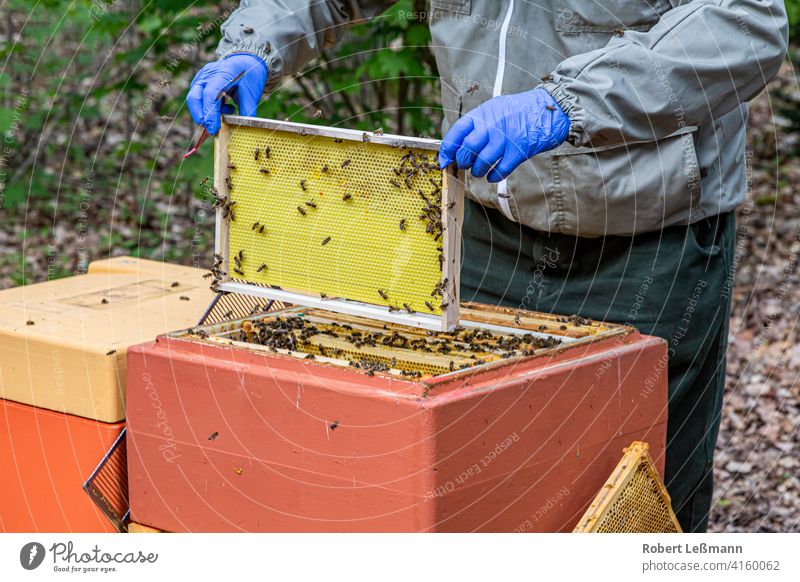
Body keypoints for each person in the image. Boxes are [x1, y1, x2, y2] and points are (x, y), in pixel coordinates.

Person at [186, 1, 788, 532]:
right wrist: (257, 43)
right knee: (486, 481)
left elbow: (745, 20)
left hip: (647, 243)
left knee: (641, 502)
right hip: (479, 234)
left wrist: (568, 103)